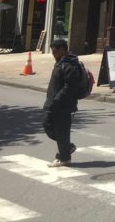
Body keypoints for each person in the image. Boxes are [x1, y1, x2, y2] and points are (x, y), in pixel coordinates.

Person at [43, 38, 81, 167]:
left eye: (55, 51)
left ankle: (64, 157)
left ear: (63, 50)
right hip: (54, 104)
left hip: (62, 105)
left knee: (61, 131)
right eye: (52, 51)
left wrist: (57, 100)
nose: (53, 54)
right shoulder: (61, 62)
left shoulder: (69, 64)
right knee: (48, 126)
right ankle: (67, 148)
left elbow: (69, 87)